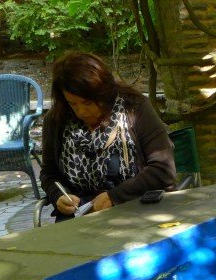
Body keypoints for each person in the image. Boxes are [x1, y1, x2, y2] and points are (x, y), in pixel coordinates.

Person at [40, 52, 176, 222]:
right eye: (72, 103)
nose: (81, 112)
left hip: (135, 207)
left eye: (88, 103)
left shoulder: (134, 108)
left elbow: (163, 170)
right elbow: (49, 173)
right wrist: (58, 195)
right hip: (79, 216)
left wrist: (114, 196)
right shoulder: (57, 119)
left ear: (104, 94)